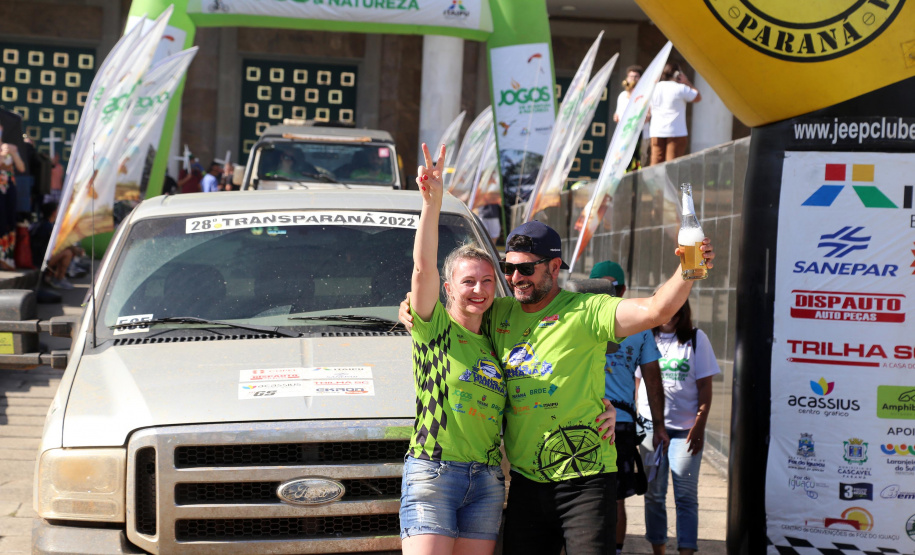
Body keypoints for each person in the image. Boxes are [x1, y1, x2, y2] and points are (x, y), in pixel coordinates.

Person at [401, 222, 715, 554]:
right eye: (509, 268)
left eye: (526, 268)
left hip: (585, 480)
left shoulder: (587, 310)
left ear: (554, 267)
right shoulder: (498, 312)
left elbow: (657, 310)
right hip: (525, 483)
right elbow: (454, 301)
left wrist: (688, 271)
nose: (515, 277)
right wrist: (408, 306)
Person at [401, 145, 617, 555]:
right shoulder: (433, 329)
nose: (480, 290)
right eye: (468, 282)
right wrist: (432, 204)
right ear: (448, 289)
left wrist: (603, 405)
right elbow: (423, 268)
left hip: (486, 479)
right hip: (435, 471)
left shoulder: (497, 338)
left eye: (488, 280)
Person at [589, 260, 670, 555]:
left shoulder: (575, 315)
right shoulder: (639, 325)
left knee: (612, 497)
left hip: (608, 423)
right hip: (605, 421)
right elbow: (653, 379)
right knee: (612, 497)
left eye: (610, 288)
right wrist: (658, 426)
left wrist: (659, 425)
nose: (608, 294)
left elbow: (653, 380)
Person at [635, 300, 719, 555]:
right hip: (650, 427)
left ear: (683, 311)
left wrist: (699, 424)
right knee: (654, 495)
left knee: (685, 495)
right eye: (663, 308)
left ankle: (686, 550)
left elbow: (705, 386)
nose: (668, 314)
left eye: (674, 309)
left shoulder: (696, 339)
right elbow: (637, 382)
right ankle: (658, 548)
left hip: (685, 431)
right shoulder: (645, 337)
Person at [648, 63, 701, 166]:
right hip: (676, 131)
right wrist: (686, 82)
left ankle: (655, 182)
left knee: (655, 163)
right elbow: (697, 97)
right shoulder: (680, 88)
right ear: (677, 74)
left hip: (656, 130)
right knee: (672, 165)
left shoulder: (654, 88)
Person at [30, 202, 80, 290]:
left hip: (44, 257)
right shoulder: (46, 226)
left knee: (68, 251)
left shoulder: (47, 224)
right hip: (41, 260)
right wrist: (73, 249)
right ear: (53, 212)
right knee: (67, 253)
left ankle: (52, 276)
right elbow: (58, 244)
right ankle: (59, 279)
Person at [0, 124, 25, 270]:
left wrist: (13, 153)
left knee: (9, 219)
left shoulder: (11, 147)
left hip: (9, 187)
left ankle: (6, 257)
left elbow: (21, 168)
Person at [614, 65, 645, 172]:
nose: (632, 79)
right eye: (630, 76)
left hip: (638, 133)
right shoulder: (622, 95)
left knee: (636, 160)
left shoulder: (643, 95)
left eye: (635, 76)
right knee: (622, 159)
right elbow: (617, 114)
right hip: (623, 134)